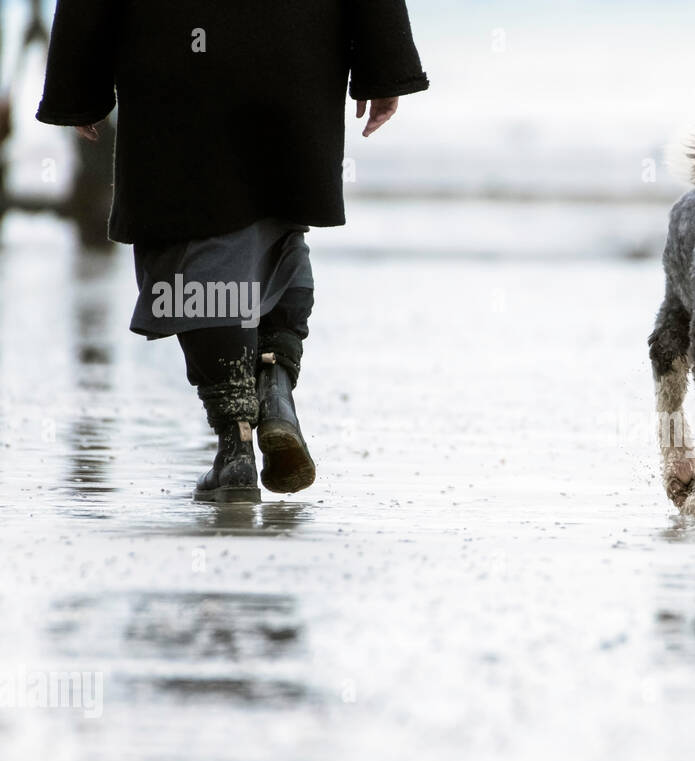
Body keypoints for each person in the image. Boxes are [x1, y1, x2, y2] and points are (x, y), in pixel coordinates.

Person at [35, 0, 429, 502]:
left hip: (174, 47)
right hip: (296, 44)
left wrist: (76, 86)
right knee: (277, 220)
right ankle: (275, 381)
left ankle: (235, 443)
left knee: (187, 239)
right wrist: (385, 62)